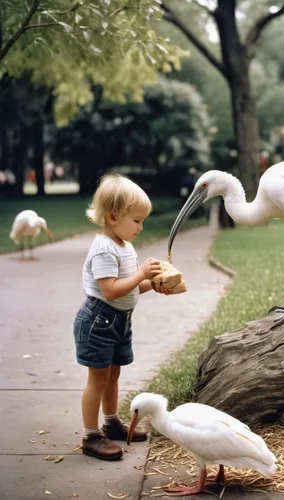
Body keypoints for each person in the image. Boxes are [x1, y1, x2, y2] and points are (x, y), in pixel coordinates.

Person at [73, 173, 169, 460]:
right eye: (137, 221)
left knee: (113, 375)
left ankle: (111, 422)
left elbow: (129, 286)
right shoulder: (103, 248)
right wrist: (141, 273)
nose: (141, 227)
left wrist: (152, 284)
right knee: (97, 380)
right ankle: (91, 436)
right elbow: (111, 290)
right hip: (98, 321)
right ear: (114, 217)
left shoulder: (124, 246)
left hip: (117, 321)